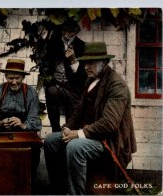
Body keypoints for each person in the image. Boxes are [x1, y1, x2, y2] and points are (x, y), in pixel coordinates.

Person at [44, 42, 137, 194]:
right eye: (85, 62)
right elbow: (78, 111)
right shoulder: (91, 80)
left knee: (75, 147)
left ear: (105, 62)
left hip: (110, 142)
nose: (86, 66)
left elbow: (109, 124)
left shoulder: (116, 86)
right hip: (90, 136)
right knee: (51, 141)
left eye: (91, 63)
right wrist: (68, 127)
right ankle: (60, 189)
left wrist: (78, 133)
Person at [0, 59, 42, 192]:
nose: (14, 82)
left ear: (23, 77)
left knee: (34, 152)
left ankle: (26, 190)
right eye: (10, 78)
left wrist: (22, 125)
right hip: (0, 134)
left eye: (17, 78)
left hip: (23, 135)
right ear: (5, 76)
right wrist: (0, 123)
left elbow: (36, 122)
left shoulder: (31, 92)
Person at [43, 18, 87, 132]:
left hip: (72, 87)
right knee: (51, 91)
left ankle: (68, 132)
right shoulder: (53, 43)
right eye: (64, 31)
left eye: (70, 32)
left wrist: (73, 59)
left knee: (73, 115)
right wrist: (49, 77)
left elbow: (82, 74)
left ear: (76, 31)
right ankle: (55, 129)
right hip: (56, 83)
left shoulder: (81, 46)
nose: (67, 34)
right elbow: (45, 62)